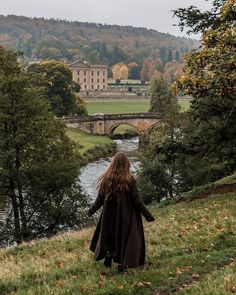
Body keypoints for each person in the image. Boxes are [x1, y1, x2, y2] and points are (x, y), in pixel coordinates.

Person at [88, 152, 155, 272]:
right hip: (126, 217)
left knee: (111, 237)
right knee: (125, 239)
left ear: (113, 164)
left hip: (109, 217)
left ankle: (109, 254)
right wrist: (148, 216)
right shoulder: (130, 180)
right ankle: (122, 265)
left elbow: (99, 200)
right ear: (126, 164)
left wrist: (91, 211)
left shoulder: (106, 179)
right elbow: (137, 201)